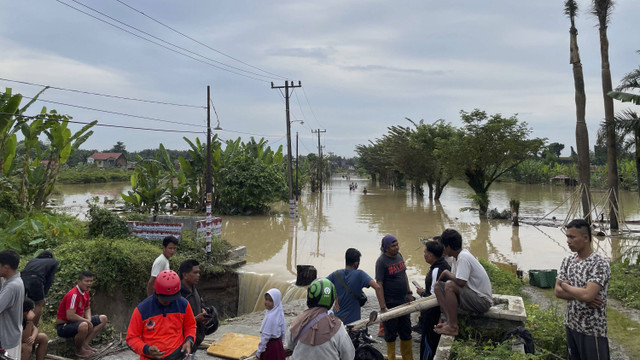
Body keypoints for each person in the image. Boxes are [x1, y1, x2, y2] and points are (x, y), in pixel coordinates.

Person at [554, 219, 610, 360]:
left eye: (572, 237)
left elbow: (586, 295)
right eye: (567, 237)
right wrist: (583, 295)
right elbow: (557, 291)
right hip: (571, 324)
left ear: (586, 238)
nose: (568, 241)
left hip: (592, 329)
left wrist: (567, 286)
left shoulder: (599, 263)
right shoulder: (568, 261)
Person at [433, 229, 493, 337]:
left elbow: (461, 282)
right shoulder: (457, 258)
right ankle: (449, 321)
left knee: (449, 286)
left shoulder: (463, 257)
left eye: (444, 246)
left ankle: (453, 327)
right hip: (472, 296)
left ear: (449, 247)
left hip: (482, 301)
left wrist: (446, 272)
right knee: (437, 287)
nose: (443, 249)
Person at [127, 270, 196, 360]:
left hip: (176, 355)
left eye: (172, 298)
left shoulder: (183, 304)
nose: (168, 302)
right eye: (165, 299)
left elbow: (190, 326)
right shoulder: (142, 309)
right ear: (156, 292)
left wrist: (189, 340)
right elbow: (131, 338)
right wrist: (147, 349)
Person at [285, 278, 354, 360]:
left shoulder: (298, 320)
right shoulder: (337, 326)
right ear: (331, 299)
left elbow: (290, 344)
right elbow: (349, 354)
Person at [375, 234, 414, 360]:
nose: (396, 247)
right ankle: (391, 357)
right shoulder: (381, 262)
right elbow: (379, 285)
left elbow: (404, 275)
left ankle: (408, 358)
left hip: (403, 300)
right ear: (386, 248)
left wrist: (409, 293)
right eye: (393, 246)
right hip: (390, 303)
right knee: (390, 335)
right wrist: (382, 307)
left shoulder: (399, 256)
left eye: (397, 244)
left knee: (406, 332)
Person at [55, 271, 108, 358]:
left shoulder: (86, 292)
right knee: (84, 325)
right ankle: (79, 350)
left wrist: (88, 319)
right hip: (64, 325)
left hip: (78, 322)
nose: (89, 283)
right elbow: (70, 316)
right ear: (79, 282)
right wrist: (86, 321)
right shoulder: (73, 295)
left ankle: (85, 344)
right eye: (86, 281)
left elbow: (87, 308)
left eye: (91, 281)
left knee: (103, 318)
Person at [327, 248, 386, 325]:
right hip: (352, 321)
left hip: (336, 319)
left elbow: (322, 285)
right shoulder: (360, 274)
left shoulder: (335, 274)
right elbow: (378, 287)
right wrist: (383, 308)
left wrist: (335, 297)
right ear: (356, 263)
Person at [414, 241, 450, 360]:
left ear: (430, 255)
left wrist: (422, 293)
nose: (424, 255)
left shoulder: (436, 270)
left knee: (428, 344)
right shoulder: (443, 264)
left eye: (425, 252)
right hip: (441, 311)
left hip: (433, 314)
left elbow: (434, 296)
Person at [179, 259, 209, 356]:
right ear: (185, 275)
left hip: (195, 340)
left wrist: (203, 311)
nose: (198, 275)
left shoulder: (194, 289)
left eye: (198, 272)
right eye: (195, 273)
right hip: (182, 343)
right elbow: (175, 322)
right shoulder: (178, 295)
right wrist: (195, 319)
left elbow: (200, 303)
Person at [21, 250, 58, 326]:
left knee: (22, 302)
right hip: (36, 279)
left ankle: (21, 324)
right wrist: (44, 295)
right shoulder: (53, 261)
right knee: (38, 304)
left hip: (22, 279)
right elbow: (49, 280)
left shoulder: (32, 260)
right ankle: (32, 327)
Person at [0, 249, 25, 360]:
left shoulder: (11, 287)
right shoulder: (17, 281)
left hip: (8, 338)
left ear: (6, 267)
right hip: (13, 334)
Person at [256, 288, 286, 360]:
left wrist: (259, 352)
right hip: (278, 345)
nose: (267, 302)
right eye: (266, 299)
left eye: (270, 301)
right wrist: (281, 343)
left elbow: (265, 337)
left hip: (270, 347)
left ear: (276, 302)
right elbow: (283, 331)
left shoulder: (271, 317)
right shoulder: (279, 313)